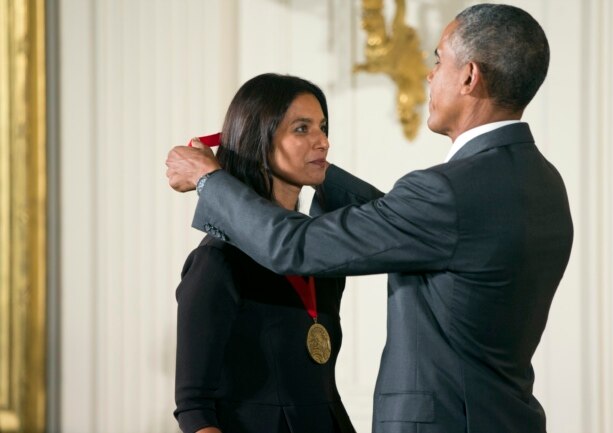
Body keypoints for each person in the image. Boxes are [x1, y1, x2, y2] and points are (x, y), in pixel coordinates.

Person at [166, 4, 574, 433]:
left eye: (438, 60)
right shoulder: (545, 185)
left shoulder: (446, 194)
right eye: (301, 130)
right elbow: (408, 224)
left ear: (469, 76)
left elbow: (294, 247)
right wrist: (313, 170)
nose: (430, 75)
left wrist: (208, 179)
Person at [173, 73, 356, 433]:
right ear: (259, 141)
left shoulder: (323, 251)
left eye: (322, 127)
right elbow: (194, 409)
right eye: (301, 129)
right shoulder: (217, 260)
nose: (323, 141)